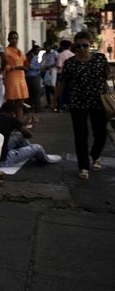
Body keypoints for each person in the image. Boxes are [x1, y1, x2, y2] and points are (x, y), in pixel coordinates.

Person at [56, 32, 108, 180]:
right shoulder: (71, 62)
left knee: (101, 134)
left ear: (90, 44)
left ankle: (95, 155)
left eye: (85, 45)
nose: (82, 49)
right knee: (80, 135)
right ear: (75, 46)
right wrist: (55, 98)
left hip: (98, 102)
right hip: (78, 103)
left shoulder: (100, 59)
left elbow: (107, 76)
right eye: (78, 46)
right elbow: (63, 81)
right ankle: (83, 166)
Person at [0, 103, 62, 167]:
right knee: (38, 147)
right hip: (3, 160)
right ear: (12, 113)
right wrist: (26, 125)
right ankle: (45, 158)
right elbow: (29, 135)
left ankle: (31, 155)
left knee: (18, 136)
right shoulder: (12, 120)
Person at [3, 31, 29, 119]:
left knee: (20, 103)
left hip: (21, 78)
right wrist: (16, 67)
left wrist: (27, 65)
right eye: (12, 38)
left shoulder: (20, 51)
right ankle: (10, 124)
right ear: (8, 39)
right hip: (11, 78)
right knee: (11, 103)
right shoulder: (6, 50)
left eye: (16, 38)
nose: (14, 40)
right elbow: (4, 65)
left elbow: (24, 62)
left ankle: (19, 124)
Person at [55, 39, 75, 111]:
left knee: (60, 91)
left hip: (61, 75)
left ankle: (60, 107)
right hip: (71, 75)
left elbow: (59, 66)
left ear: (62, 46)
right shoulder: (73, 55)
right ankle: (70, 106)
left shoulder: (60, 55)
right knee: (70, 91)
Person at [25, 44, 43, 112]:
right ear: (35, 50)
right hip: (34, 76)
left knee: (31, 93)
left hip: (29, 76)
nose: (39, 51)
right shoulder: (32, 56)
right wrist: (39, 68)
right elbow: (30, 66)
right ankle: (37, 108)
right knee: (37, 92)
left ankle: (30, 107)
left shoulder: (30, 56)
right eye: (38, 50)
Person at [41, 44, 59, 110]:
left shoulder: (54, 53)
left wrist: (52, 65)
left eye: (47, 47)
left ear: (50, 47)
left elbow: (58, 61)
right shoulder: (44, 54)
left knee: (52, 86)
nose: (46, 49)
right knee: (46, 87)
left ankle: (56, 102)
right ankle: (49, 103)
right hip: (46, 72)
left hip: (53, 71)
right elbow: (43, 62)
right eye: (45, 47)